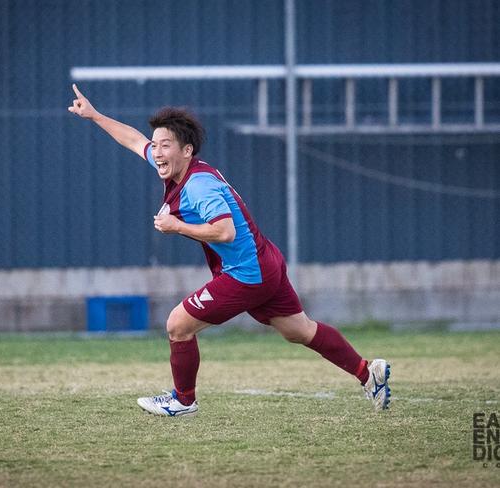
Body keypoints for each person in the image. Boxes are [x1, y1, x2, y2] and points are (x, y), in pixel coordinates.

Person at [68, 84, 391, 416]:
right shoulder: (178, 167)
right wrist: (94, 115)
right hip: (266, 262)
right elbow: (134, 140)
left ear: (187, 150)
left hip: (247, 272)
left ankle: (183, 400)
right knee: (299, 330)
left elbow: (225, 231)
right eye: (157, 144)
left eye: (165, 145)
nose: (157, 151)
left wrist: (176, 226)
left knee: (178, 325)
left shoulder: (197, 186)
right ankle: (369, 373)